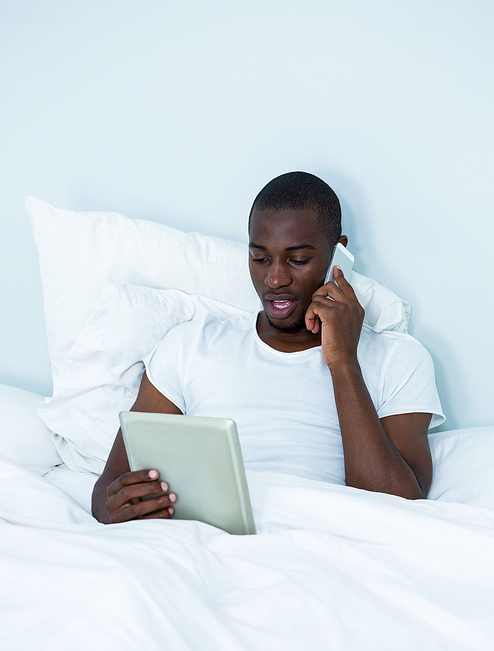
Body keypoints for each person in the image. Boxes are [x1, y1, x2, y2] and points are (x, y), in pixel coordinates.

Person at [92, 172, 444, 524]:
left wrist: (344, 363)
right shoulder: (190, 345)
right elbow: (109, 486)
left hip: (322, 545)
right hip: (205, 543)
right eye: (260, 259)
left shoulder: (399, 358)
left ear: (339, 253)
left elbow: (399, 511)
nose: (274, 279)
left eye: (298, 260)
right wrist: (116, 506)